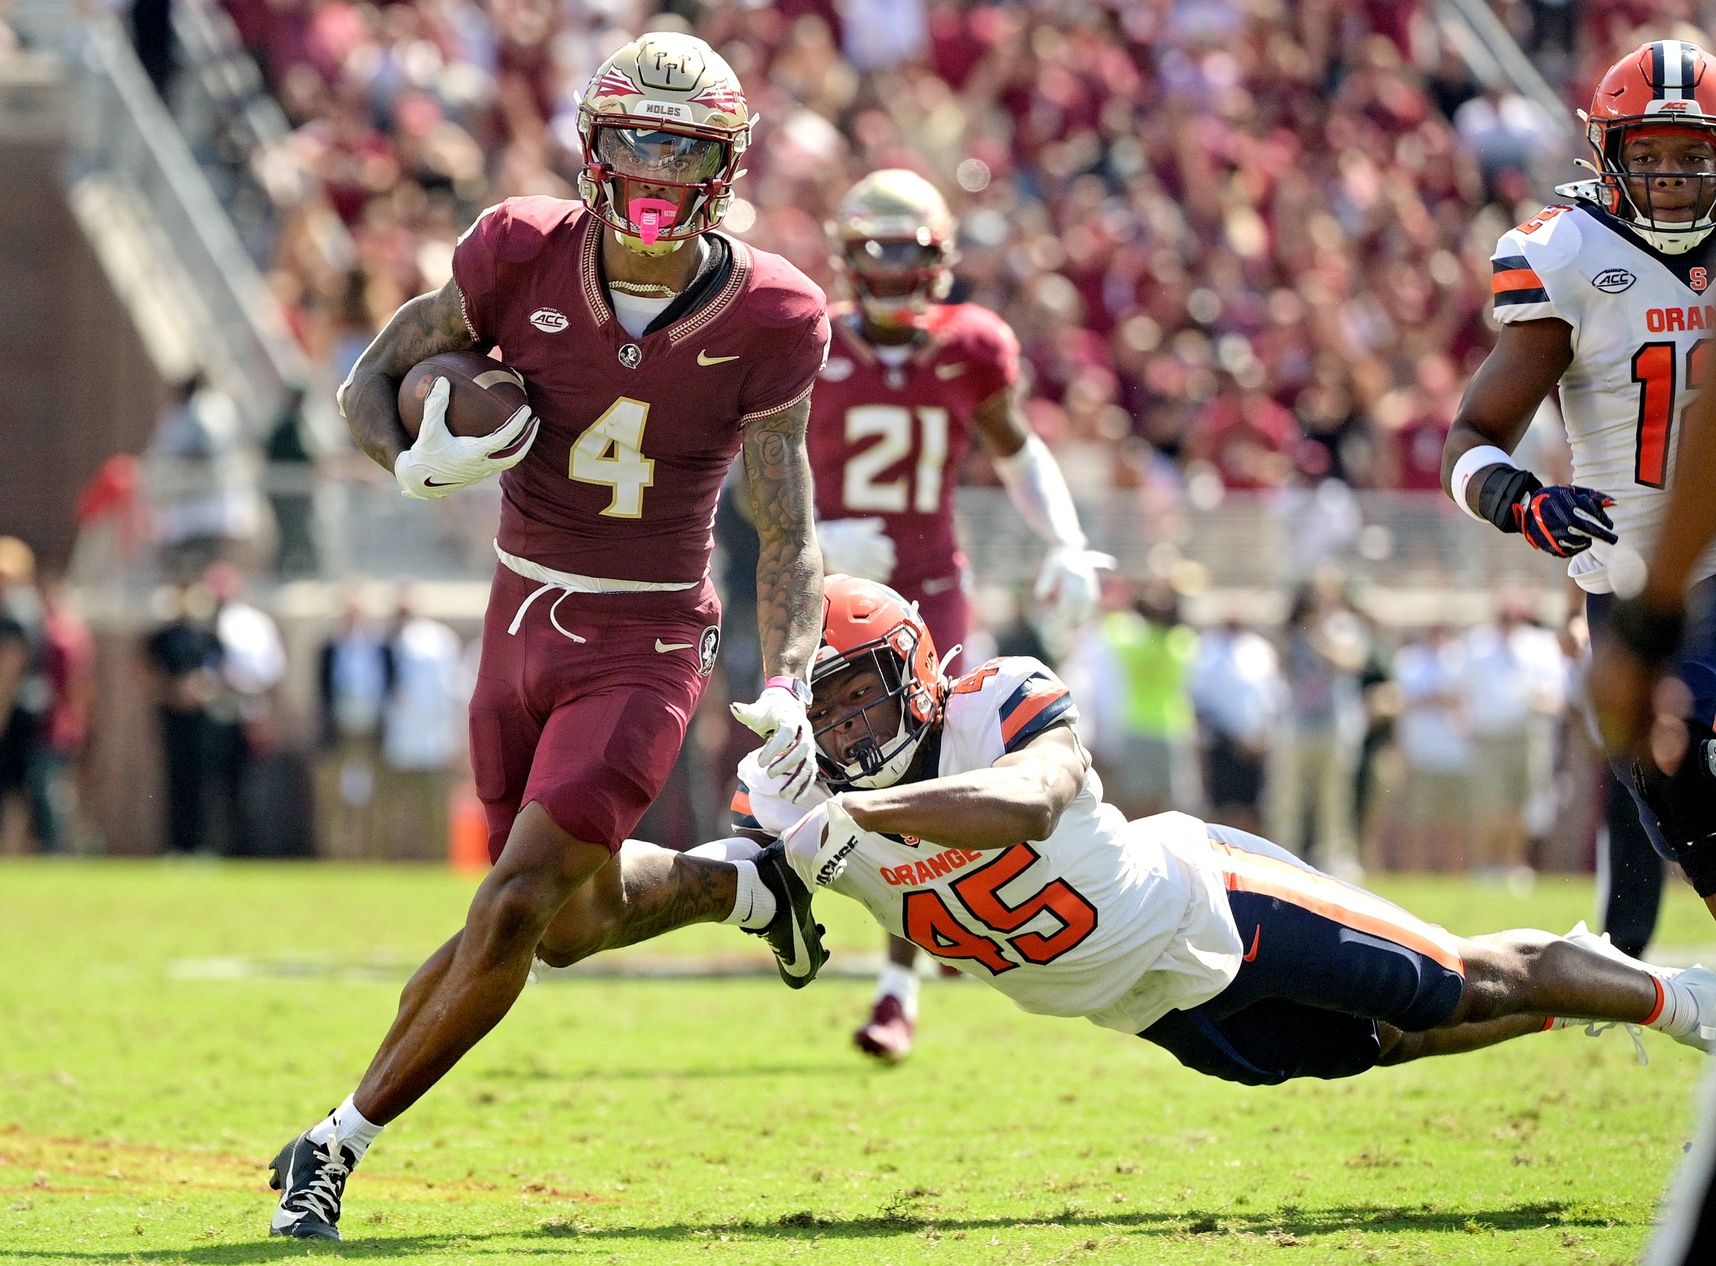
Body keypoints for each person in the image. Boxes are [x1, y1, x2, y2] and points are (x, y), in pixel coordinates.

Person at [266, 33, 830, 1241]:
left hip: (648, 635)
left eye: (685, 143)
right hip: (517, 613)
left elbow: (785, 526)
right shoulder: (516, 249)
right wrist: (409, 464)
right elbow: (371, 380)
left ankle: (333, 1144)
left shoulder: (774, 310)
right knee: (561, 926)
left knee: (514, 905)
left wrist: (786, 673)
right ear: (593, 145)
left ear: (725, 165)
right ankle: (747, 888)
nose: (658, 165)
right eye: (638, 135)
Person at [530, 577, 1716, 1095]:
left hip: (1216, 904)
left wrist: (844, 822)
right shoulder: (793, 791)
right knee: (1383, 1048)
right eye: (824, 704)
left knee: (1454, 982)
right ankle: (1578, 994)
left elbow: (1030, 802)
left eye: (861, 695)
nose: (842, 725)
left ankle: (1676, 1001)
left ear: (919, 678)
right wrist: (583, 873)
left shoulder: (998, 698)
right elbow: (738, 893)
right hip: (1145, 1006)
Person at [805, 168, 1111, 1063]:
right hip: (817, 586)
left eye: (909, 253)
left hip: (928, 595)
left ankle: (899, 982)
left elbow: (1017, 451)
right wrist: (818, 536)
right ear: (848, 256)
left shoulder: (973, 345)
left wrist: (1066, 539)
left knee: (918, 769)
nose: (893, 271)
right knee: (803, 759)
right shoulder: (809, 339)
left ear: (938, 260)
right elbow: (752, 470)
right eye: (877, 252)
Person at [1442, 40, 1716, 924]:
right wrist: (1523, 501)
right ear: (1607, 155)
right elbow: (1471, 440)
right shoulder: (1567, 257)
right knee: (1672, 796)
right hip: (1631, 581)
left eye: (1692, 155)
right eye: (1649, 155)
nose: (1671, 177)